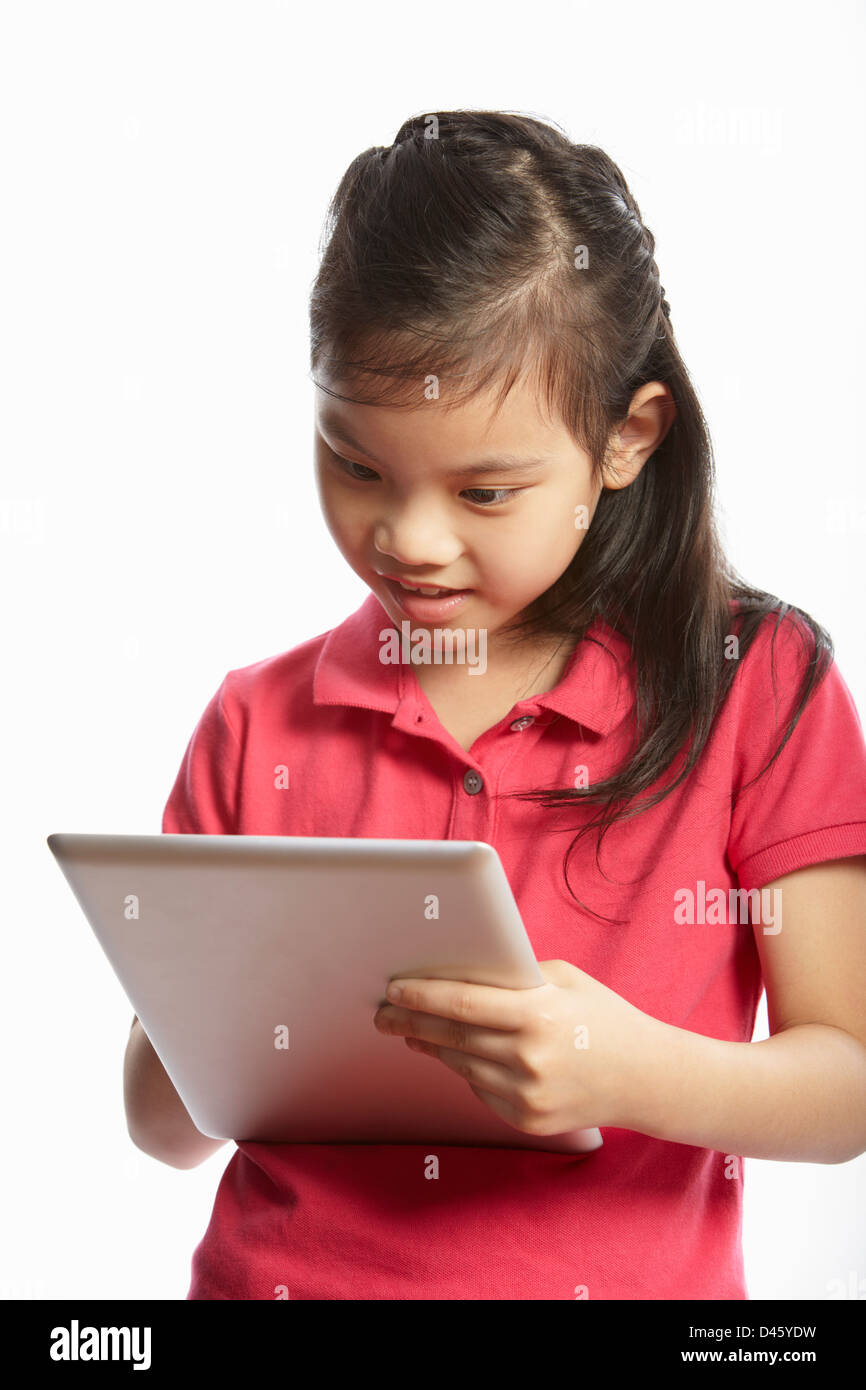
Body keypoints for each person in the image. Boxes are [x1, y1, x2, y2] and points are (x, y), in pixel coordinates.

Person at [124, 110, 866, 1300]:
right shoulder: (256, 720)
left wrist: (621, 1070)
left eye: (483, 490)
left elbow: (846, 1086)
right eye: (355, 463)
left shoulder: (755, 684)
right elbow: (160, 1128)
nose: (407, 539)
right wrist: (222, 1028)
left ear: (625, 439)